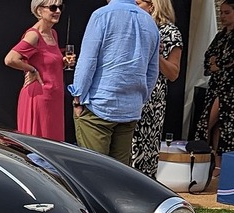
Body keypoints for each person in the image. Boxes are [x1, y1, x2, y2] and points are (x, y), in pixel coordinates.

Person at [68, 0, 160, 166]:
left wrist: (78, 97)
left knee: (93, 171)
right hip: (130, 109)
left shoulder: (102, 15)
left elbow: (87, 62)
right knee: (119, 175)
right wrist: (140, 99)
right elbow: (152, 71)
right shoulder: (150, 22)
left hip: (99, 106)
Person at [4, 1, 75, 142]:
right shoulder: (34, 35)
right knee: (38, 144)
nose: (58, 11)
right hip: (39, 97)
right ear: (39, 10)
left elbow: (47, 63)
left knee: (52, 144)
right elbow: (10, 59)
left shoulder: (53, 33)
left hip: (53, 97)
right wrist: (31, 69)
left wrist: (64, 62)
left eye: (60, 7)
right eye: (53, 7)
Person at [131, 0, 183, 178]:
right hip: (130, 94)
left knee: (145, 150)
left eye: (138, 2)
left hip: (152, 100)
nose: (134, 5)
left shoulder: (170, 32)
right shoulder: (135, 25)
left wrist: (156, 54)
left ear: (153, 5)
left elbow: (174, 73)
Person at [195, 0, 234, 175]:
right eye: (221, 13)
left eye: (227, 13)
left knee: (216, 123)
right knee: (216, 125)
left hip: (230, 89)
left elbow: (228, 60)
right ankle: (216, 164)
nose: (222, 16)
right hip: (216, 86)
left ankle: (213, 162)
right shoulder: (220, 36)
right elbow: (207, 57)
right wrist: (216, 64)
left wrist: (218, 63)